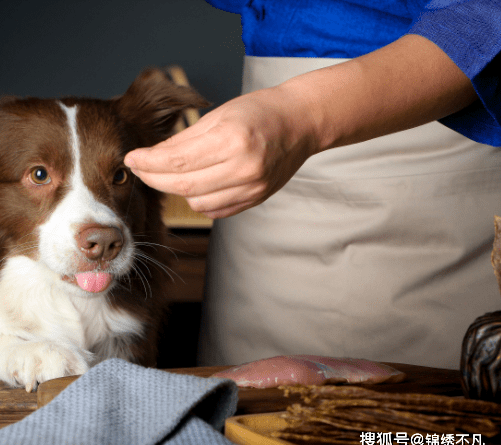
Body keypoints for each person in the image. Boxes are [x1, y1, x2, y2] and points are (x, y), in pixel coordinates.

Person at [124, 1, 501, 370]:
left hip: (428, 148)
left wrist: (300, 117)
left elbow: (484, 15)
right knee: (249, 421)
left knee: (429, 418)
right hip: (261, 150)